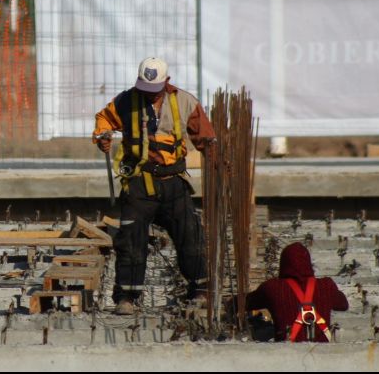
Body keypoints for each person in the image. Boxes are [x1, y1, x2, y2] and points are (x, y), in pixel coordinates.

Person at [92, 57, 217, 315]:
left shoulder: (184, 102)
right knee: (131, 241)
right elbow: (104, 119)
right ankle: (126, 297)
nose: (148, 95)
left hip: (174, 183)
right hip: (140, 182)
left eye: (154, 90)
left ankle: (201, 290)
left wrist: (219, 158)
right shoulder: (126, 101)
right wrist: (102, 137)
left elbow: (205, 137)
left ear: (167, 83)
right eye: (144, 89)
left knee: (190, 237)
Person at [246, 242, 349, 342]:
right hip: (321, 353)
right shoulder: (326, 285)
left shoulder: (273, 288)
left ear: (283, 264)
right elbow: (343, 305)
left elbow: (245, 303)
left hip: (288, 352)